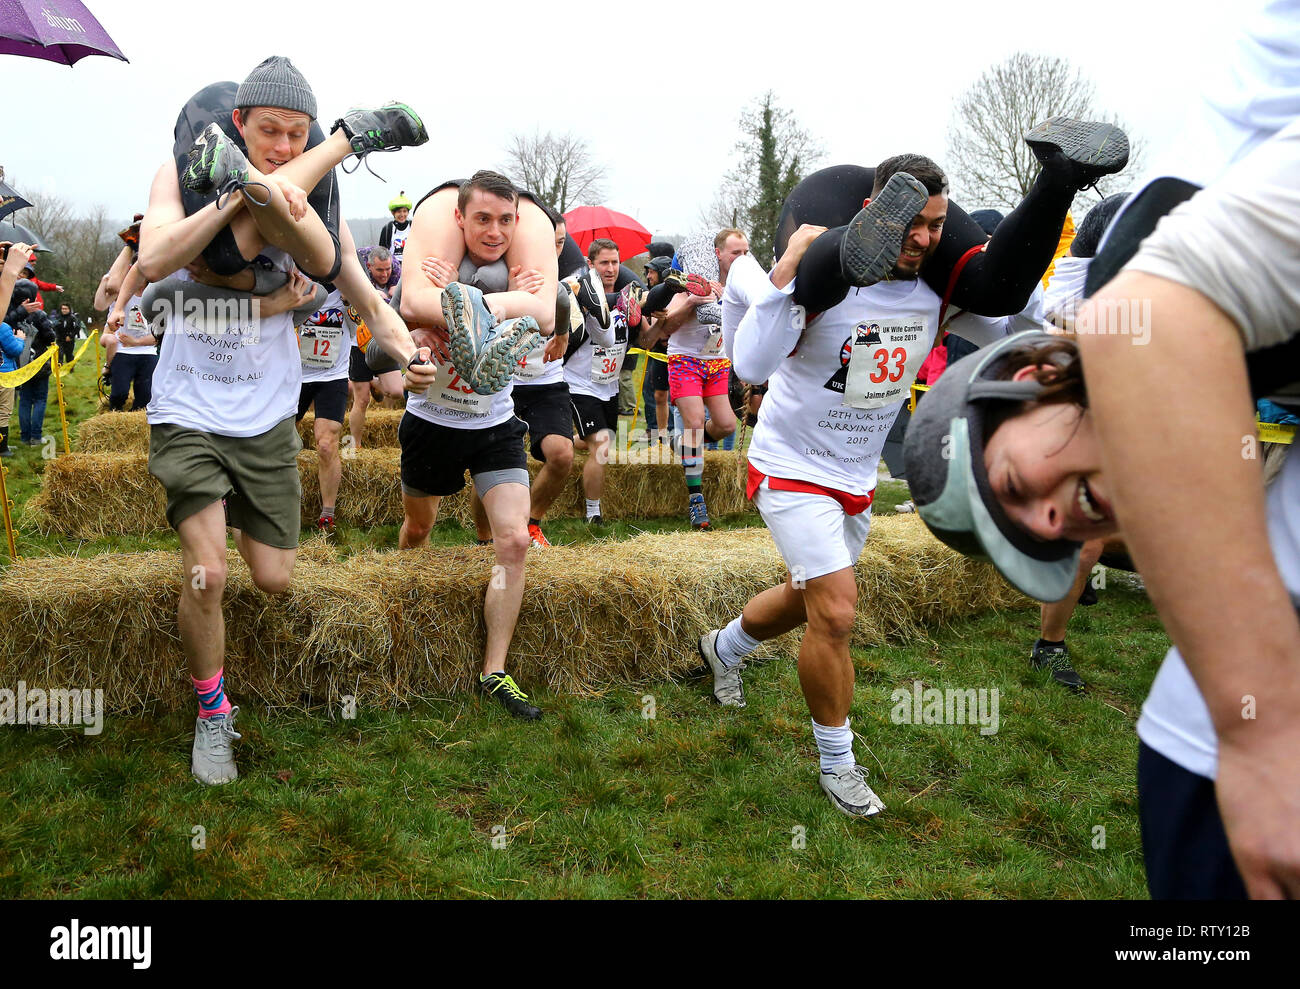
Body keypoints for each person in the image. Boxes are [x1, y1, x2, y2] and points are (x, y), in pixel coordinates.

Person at [137, 56, 437, 786]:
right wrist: (267, 282)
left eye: (298, 135)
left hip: (266, 415)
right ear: (236, 124)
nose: (279, 143)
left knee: (271, 577)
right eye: (268, 130)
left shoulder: (312, 200)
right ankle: (213, 714)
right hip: (190, 410)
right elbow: (156, 282)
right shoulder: (181, 172)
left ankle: (339, 141)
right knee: (207, 573)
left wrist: (405, 348)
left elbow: (361, 296)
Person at [700, 156, 952, 818]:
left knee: (808, 596)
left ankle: (722, 648)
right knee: (837, 610)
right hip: (789, 464)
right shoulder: (828, 277)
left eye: (937, 225)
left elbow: (1007, 321)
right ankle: (838, 763)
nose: (923, 238)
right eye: (911, 222)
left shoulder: (935, 291)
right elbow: (751, 363)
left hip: (855, 474)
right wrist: (785, 273)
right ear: (875, 212)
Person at [395, 169, 555, 719]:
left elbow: (547, 312)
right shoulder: (438, 256)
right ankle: (401, 602)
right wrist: (418, 344)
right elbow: (405, 316)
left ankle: (495, 672)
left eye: (506, 220)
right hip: (432, 423)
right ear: (459, 218)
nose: (494, 231)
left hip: (495, 427)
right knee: (419, 528)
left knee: (512, 541)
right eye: (482, 218)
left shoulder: (518, 270)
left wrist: (468, 303)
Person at [657, 229, 748, 529]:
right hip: (685, 360)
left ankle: (682, 444)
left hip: (717, 363)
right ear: (718, 254)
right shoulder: (693, 280)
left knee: (726, 425)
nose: (741, 258)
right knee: (696, 423)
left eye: (746, 252)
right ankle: (696, 500)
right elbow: (666, 326)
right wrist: (694, 301)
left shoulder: (740, 286)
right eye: (735, 253)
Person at [563, 239, 628, 525]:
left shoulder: (629, 297)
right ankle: (593, 514)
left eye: (615, 262)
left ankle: (560, 443)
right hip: (579, 382)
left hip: (608, 384)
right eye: (604, 263)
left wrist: (660, 321)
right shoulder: (580, 294)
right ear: (591, 264)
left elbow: (647, 340)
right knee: (601, 443)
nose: (611, 268)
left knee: (600, 442)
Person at [296, 279, 352, 534]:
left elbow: (368, 317)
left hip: (332, 375)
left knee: (327, 445)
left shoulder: (346, 284)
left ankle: (327, 514)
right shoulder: (293, 277)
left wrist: (354, 306)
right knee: (276, 439)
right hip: (294, 374)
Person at [379, 191, 413, 258]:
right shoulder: (387, 229)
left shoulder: (413, 226)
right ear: (393, 213)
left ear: (408, 212)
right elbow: (381, 251)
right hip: (392, 265)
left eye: (405, 211)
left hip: (409, 263)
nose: (402, 214)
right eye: (399, 212)